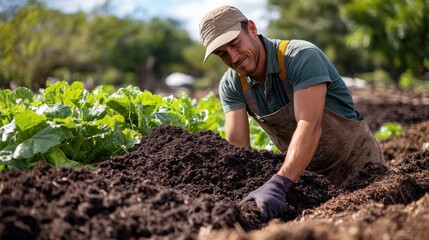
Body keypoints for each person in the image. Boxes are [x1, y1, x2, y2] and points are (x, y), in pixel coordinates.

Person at [198, 5, 386, 223]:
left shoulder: (300, 57)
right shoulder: (232, 85)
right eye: (222, 54)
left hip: (361, 170)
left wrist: (278, 184)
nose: (233, 57)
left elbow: (310, 125)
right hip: (306, 183)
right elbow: (238, 150)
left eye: (234, 44)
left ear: (251, 28)